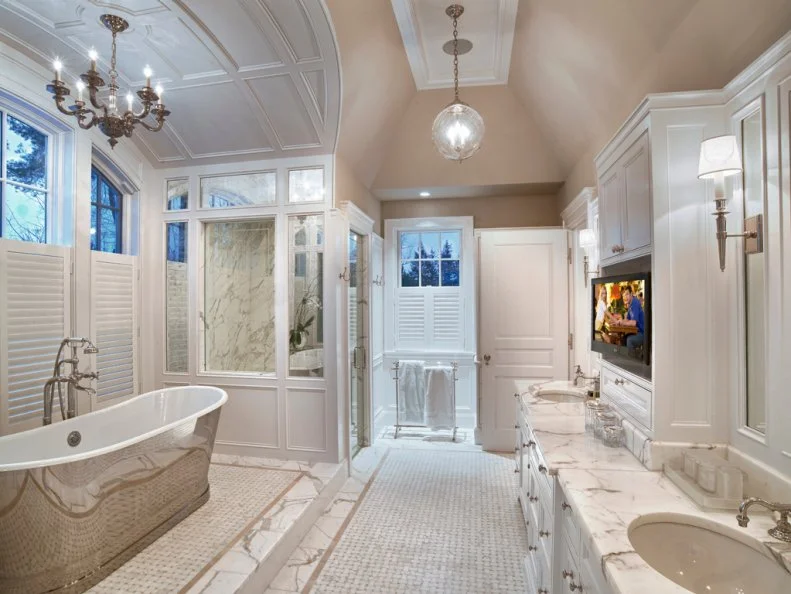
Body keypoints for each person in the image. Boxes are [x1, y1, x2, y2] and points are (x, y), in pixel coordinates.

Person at [620, 285, 645, 355]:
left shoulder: (635, 303)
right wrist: (619, 321)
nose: (625, 297)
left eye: (627, 294)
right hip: (637, 331)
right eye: (624, 295)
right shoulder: (630, 305)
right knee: (623, 338)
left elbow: (633, 323)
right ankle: (625, 359)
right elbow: (627, 319)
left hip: (642, 334)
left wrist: (623, 323)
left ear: (631, 294)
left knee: (629, 340)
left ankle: (632, 361)